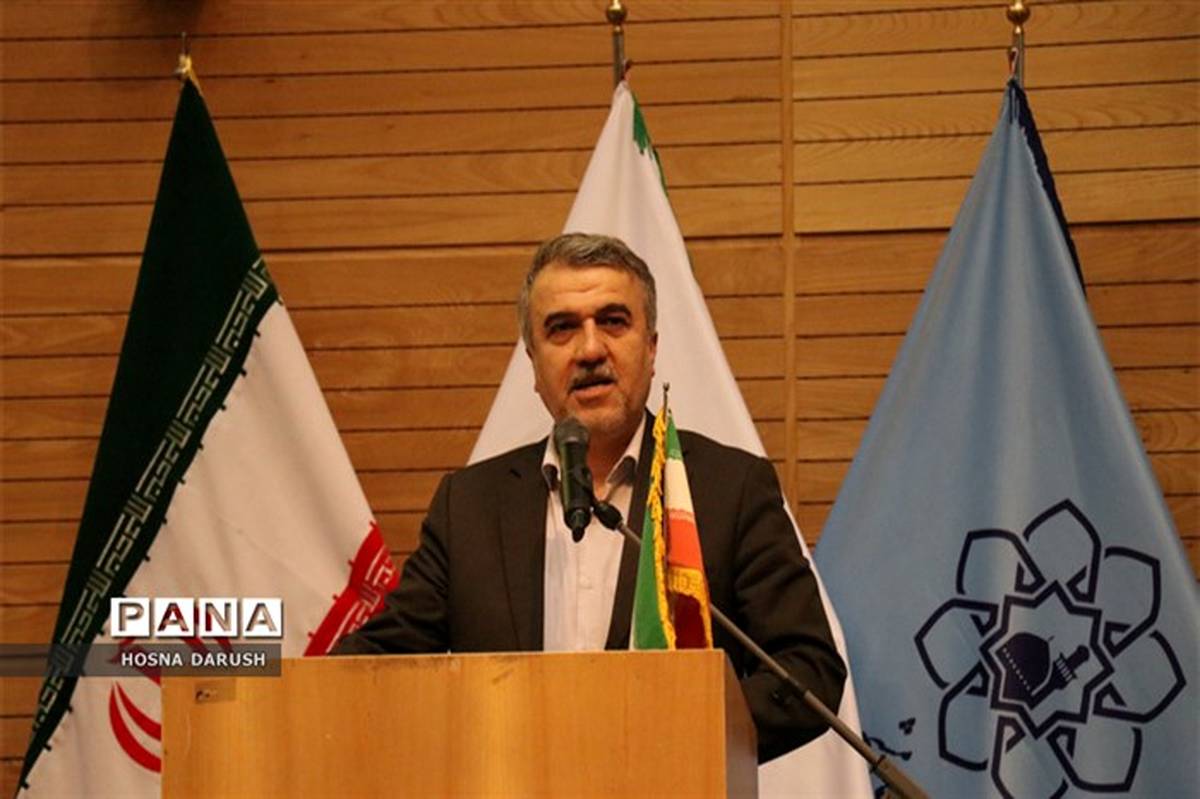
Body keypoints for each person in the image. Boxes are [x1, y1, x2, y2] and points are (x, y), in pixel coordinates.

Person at [335, 233, 846, 763]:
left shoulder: (728, 488)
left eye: (613, 321)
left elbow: (808, 671)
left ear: (651, 348)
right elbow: (373, 663)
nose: (590, 350)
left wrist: (670, 731)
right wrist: (267, 648)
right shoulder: (468, 506)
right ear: (533, 363)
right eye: (561, 328)